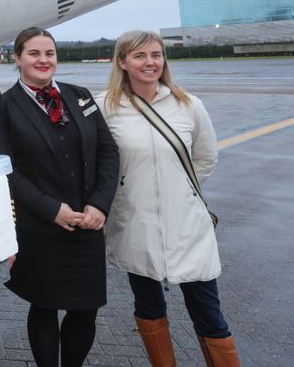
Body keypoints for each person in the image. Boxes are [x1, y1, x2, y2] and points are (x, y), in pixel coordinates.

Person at [98, 31, 240, 367]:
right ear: (122, 62)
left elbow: (206, 158)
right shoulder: (106, 106)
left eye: (156, 55)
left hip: (188, 225)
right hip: (135, 224)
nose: (150, 63)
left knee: (209, 314)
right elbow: (100, 162)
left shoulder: (188, 105)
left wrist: (181, 190)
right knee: (149, 308)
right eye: (140, 56)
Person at [0, 27, 118, 367]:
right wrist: (51, 210)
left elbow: (108, 153)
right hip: (41, 228)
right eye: (34, 53)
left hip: (88, 224)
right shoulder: (4, 107)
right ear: (17, 59)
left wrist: (100, 204)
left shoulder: (80, 96)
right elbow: (6, 170)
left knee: (86, 311)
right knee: (44, 306)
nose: (43, 60)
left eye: (49, 53)